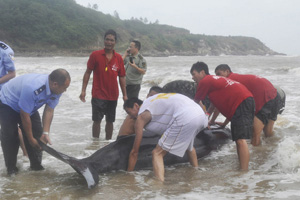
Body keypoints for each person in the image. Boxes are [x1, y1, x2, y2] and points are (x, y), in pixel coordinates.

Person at [0, 69, 70, 175]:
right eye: (64, 88)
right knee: (10, 135)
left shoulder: (57, 89)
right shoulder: (33, 88)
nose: (65, 91)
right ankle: (11, 169)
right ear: (55, 84)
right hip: (8, 102)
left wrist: (45, 133)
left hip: (28, 106)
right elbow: (24, 115)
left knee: (38, 134)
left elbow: (49, 110)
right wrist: (30, 139)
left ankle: (36, 167)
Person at [124, 93, 208, 181]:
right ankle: (195, 173)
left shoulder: (141, 116)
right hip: (200, 115)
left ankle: (159, 185)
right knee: (189, 147)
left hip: (184, 117)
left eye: (129, 112)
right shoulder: (151, 101)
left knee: (157, 153)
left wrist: (129, 175)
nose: (130, 117)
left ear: (136, 106)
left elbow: (134, 152)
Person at [190, 61, 254, 170]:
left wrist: (200, 122)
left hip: (241, 103)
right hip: (245, 101)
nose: (192, 77)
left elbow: (195, 102)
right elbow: (213, 105)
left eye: (194, 74)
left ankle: (244, 172)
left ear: (202, 72)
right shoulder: (213, 80)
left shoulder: (205, 81)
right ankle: (242, 168)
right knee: (238, 139)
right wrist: (208, 120)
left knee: (240, 140)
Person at [215, 64, 282, 146]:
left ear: (227, 71)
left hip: (265, 98)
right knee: (268, 134)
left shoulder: (229, 82)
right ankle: (273, 152)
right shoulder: (237, 77)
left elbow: (231, 107)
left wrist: (220, 123)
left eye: (219, 74)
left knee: (255, 133)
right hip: (275, 95)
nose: (218, 77)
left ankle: (257, 157)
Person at [79, 29, 127, 140]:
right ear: (104, 40)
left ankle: (108, 143)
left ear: (115, 42)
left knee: (110, 121)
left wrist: (125, 95)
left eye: (112, 40)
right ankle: (95, 144)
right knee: (97, 121)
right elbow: (88, 72)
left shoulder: (118, 58)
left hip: (113, 95)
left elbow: (122, 77)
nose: (109, 42)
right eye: (107, 39)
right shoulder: (95, 55)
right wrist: (83, 90)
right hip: (98, 94)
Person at [0, 41, 27, 157]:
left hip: (3, 94)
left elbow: (12, 73)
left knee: (12, 128)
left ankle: (26, 154)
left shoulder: (5, 50)